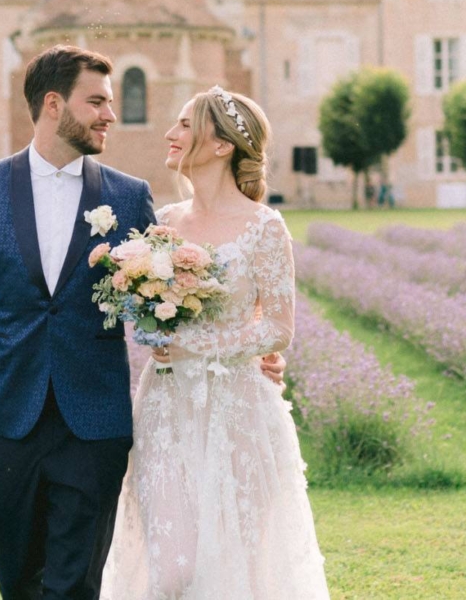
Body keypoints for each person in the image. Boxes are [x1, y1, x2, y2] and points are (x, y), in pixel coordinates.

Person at [0, 46, 284, 600]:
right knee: (14, 570)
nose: (111, 114)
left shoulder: (130, 196)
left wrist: (243, 349)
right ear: (54, 104)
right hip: (4, 411)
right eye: (97, 102)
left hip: (96, 420)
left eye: (111, 102)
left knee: (75, 582)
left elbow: (173, 289)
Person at [101, 86, 329, 599]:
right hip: (164, 404)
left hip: (237, 411)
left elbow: (277, 326)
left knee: (232, 565)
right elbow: (148, 304)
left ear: (222, 145)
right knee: (170, 564)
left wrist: (201, 348)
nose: (170, 134)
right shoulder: (162, 223)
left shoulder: (264, 226)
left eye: (184, 124)